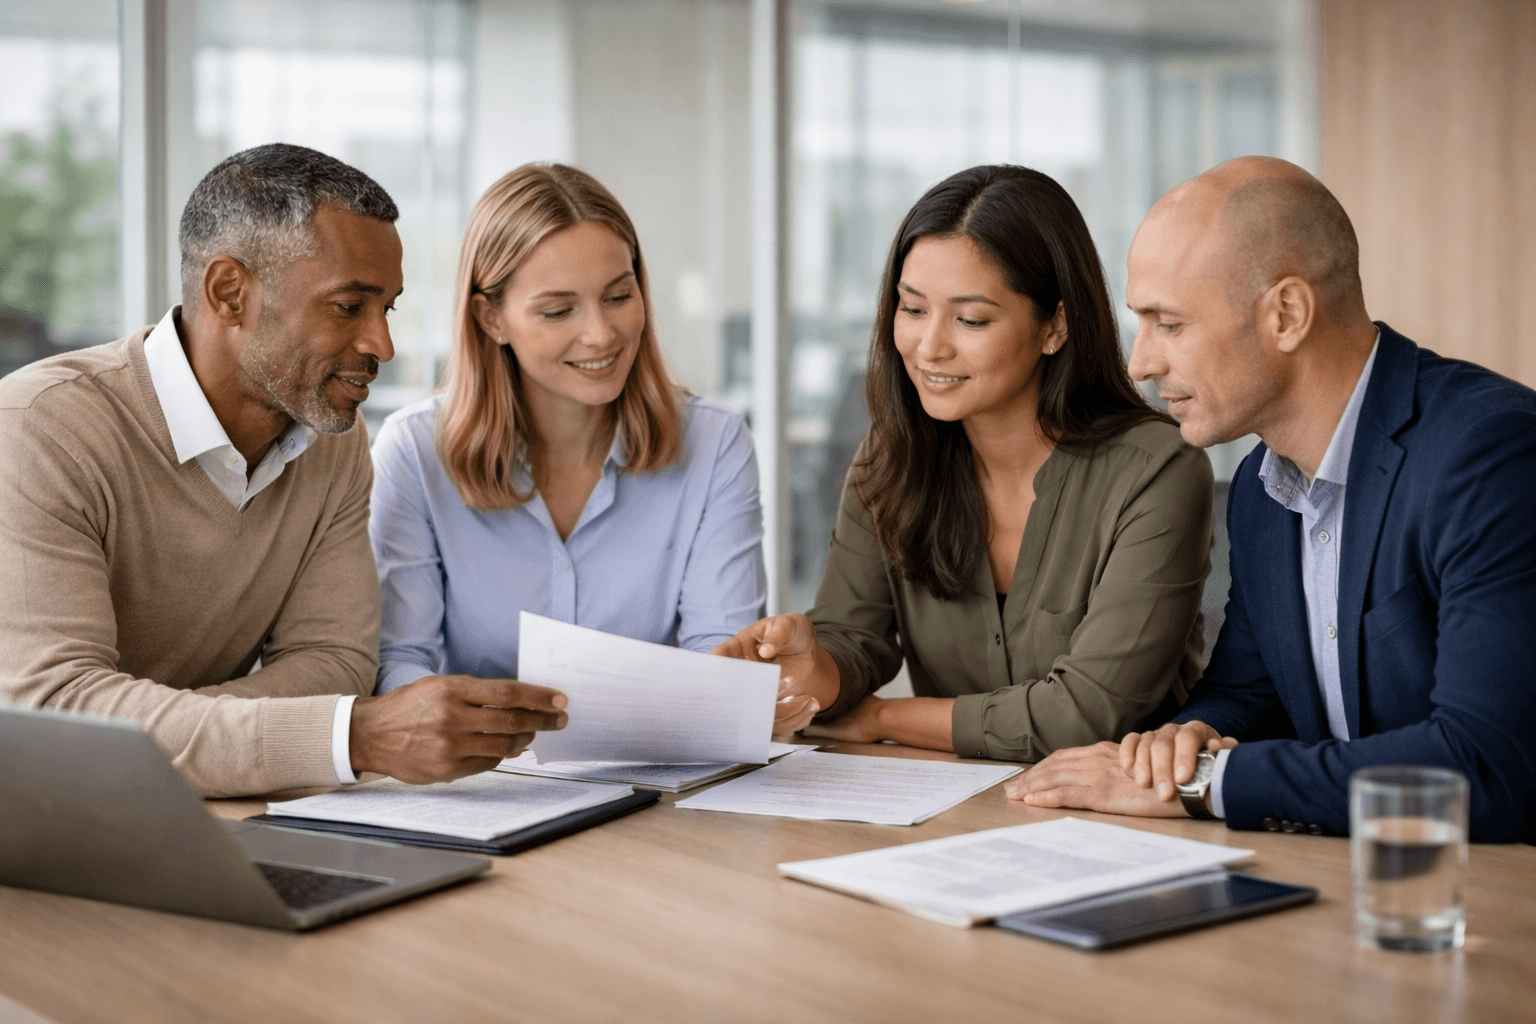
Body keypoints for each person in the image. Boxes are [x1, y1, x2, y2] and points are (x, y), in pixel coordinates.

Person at [0, 143, 566, 798]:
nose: (381, 345)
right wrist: (352, 737)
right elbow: (58, 714)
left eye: (389, 309)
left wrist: (186, 739)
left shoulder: (335, 443)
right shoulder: (40, 430)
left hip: (192, 812)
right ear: (230, 293)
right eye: (349, 306)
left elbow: (335, 662)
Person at [1008, 156, 1536, 843]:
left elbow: (1485, 766)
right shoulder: (1263, 489)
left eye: (1168, 324)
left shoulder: (1491, 457)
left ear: (1286, 314)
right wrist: (1181, 744)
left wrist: (1206, 787)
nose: (1140, 364)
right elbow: (1250, 695)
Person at [715, 165, 1213, 757]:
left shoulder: (1158, 471)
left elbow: (1087, 712)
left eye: (971, 319)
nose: (929, 347)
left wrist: (884, 717)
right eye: (912, 309)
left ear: (1055, 324)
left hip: (1126, 820)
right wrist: (815, 665)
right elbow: (856, 637)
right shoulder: (892, 455)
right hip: (954, 811)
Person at [368, 163, 765, 695]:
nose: (601, 335)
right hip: (481, 771)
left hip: (655, 764)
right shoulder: (414, 453)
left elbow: (722, 655)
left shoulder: (714, 443)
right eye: (559, 311)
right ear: (491, 319)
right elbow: (399, 662)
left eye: (619, 297)